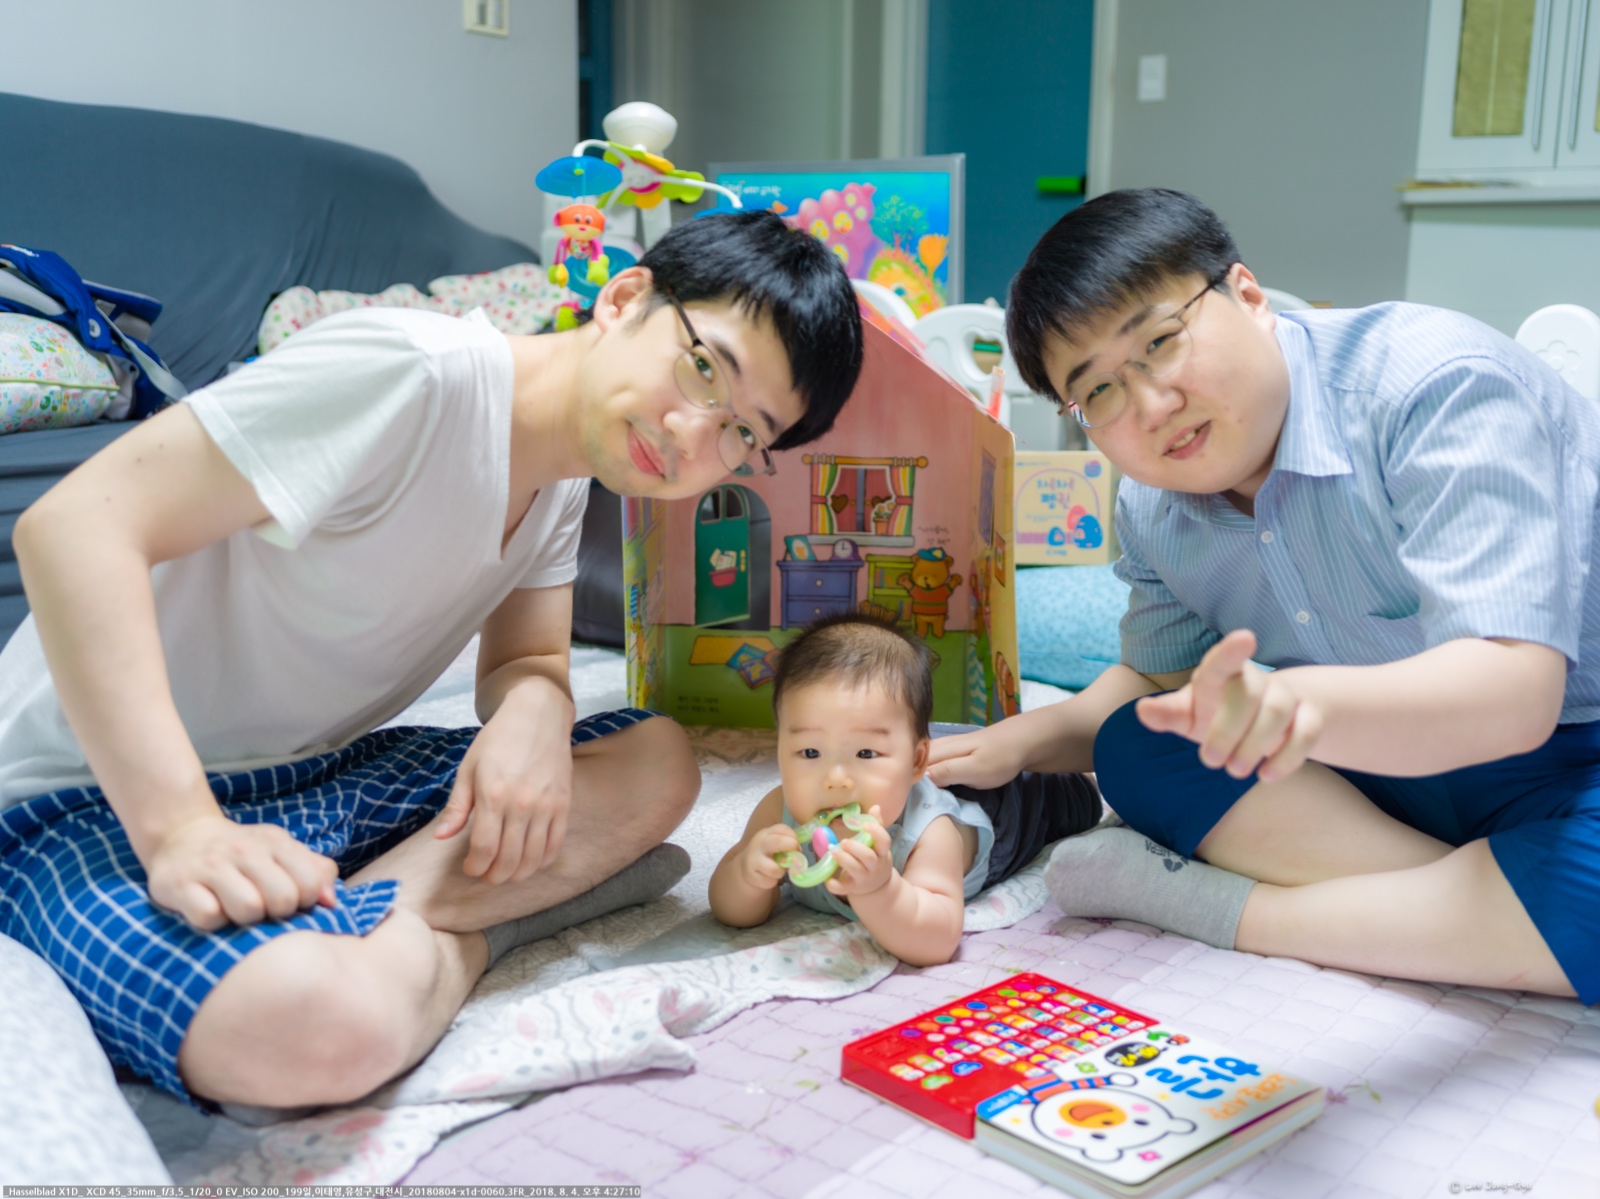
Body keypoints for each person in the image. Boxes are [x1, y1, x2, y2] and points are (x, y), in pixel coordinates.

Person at [0, 210, 866, 1109]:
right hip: (90, 799)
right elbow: (73, 526)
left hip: (310, 776)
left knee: (657, 759)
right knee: (308, 1031)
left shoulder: (565, 473)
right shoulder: (409, 373)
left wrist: (536, 711)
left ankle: (372, 925)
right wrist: (181, 829)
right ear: (624, 298)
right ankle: (476, 933)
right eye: (704, 368)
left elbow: (527, 657)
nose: (694, 433)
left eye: (743, 432)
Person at [926, 187, 1600, 1003]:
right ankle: (1483, 908)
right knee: (1137, 744)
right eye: (1097, 392)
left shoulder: (1435, 385)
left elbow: (1514, 695)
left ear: (1246, 293)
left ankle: (1239, 910)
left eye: (1160, 342)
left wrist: (1295, 704)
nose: (1152, 406)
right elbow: (1160, 680)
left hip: (1572, 748)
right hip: (1378, 769)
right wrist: (1019, 742)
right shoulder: (1152, 505)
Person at [708, 614, 1099, 966]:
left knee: (1074, 796)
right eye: (810, 752)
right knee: (892, 731)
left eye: (864, 753)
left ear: (916, 762)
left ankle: (1077, 775)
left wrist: (881, 890)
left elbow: (936, 942)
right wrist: (748, 877)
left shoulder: (929, 830)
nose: (836, 778)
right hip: (905, 750)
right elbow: (728, 908)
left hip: (1007, 801)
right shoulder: (779, 812)